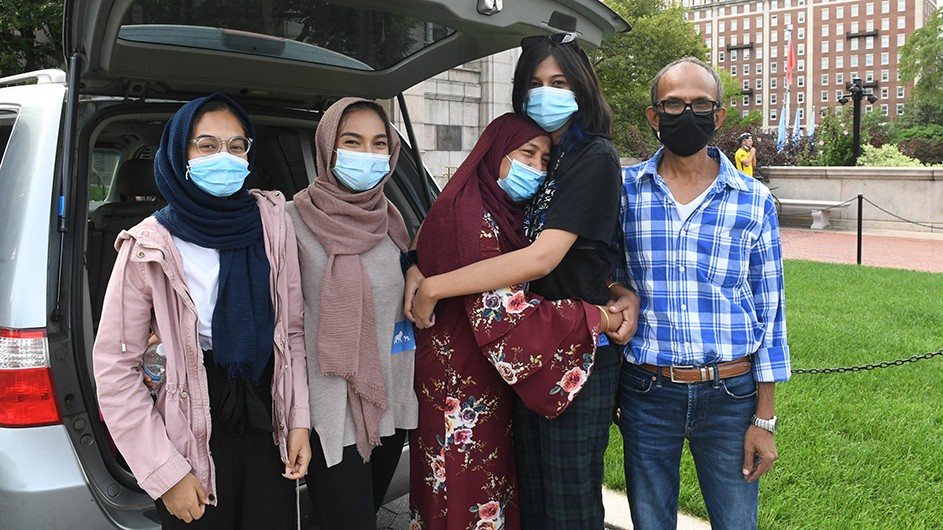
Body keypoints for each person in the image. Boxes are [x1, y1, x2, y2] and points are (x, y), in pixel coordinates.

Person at [408, 34, 637, 529]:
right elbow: (464, 230)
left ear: (582, 89)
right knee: (532, 500)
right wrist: (416, 261)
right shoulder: (545, 160)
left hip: (574, 349)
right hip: (527, 352)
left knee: (569, 504)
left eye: (558, 82)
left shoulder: (592, 156)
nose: (545, 92)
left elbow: (541, 258)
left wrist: (435, 286)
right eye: (534, 83)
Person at [94, 93, 311, 529]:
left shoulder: (271, 221)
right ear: (180, 153)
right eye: (207, 145)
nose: (224, 158)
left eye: (236, 146)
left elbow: (290, 332)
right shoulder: (147, 245)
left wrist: (298, 420)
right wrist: (165, 473)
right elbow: (116, 369)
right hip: (188, 415)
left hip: (264, 406)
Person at [615, 57, 790, 530]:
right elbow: (603, 276)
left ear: (718, 116)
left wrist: (765, 418)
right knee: (651, 523)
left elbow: (771, 313)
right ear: (653, 116)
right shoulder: (624, 192)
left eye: (699, 104)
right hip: (647, 392)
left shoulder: (753, 200)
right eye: (673, 104)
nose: (685, 114)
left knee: (737, 523)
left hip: (732, 396)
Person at [286, 97, 418, 530]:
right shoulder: (290, 221)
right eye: (352, 141)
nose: (368, 154)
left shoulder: (392, 220)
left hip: (389, 402)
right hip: (327, 412)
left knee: (370, 513)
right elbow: (283, 326)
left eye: (379, 143)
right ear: (328, 147)